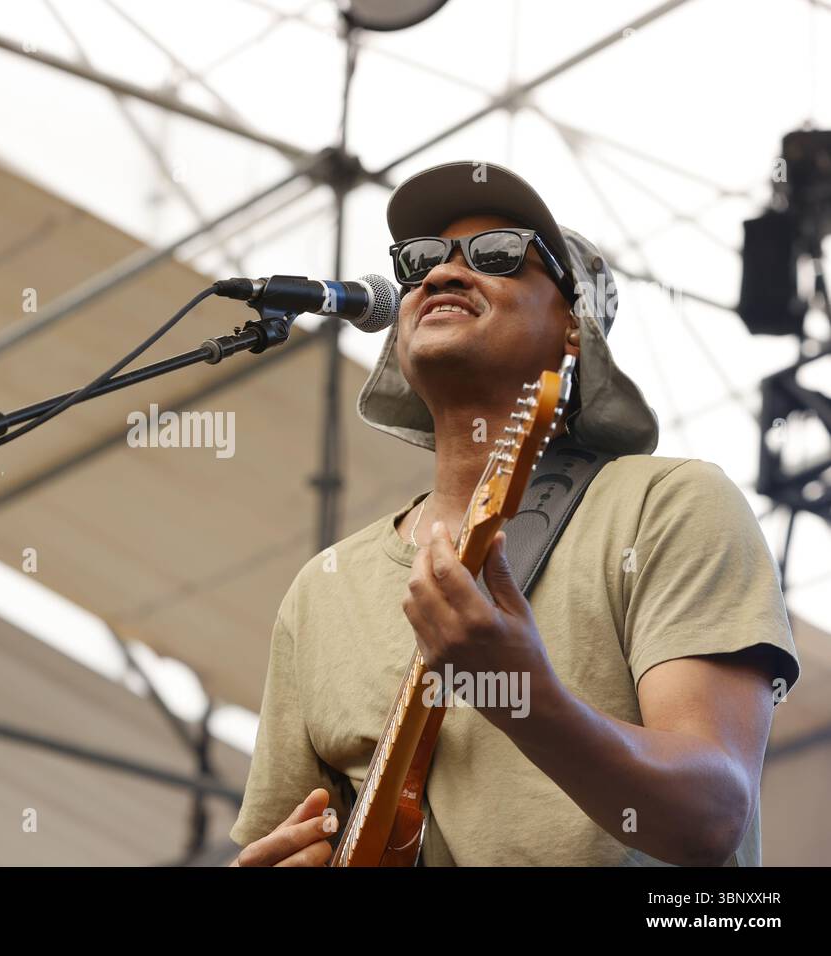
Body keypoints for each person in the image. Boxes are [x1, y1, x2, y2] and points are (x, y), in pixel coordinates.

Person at [229, 161, 800, 867]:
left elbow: (710, 816)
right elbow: (288, 840)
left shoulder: (670, 505)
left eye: (498, 255)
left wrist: (523, 694)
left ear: (573, 328)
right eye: (420, 263)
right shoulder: (322, 589)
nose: (440, 276)